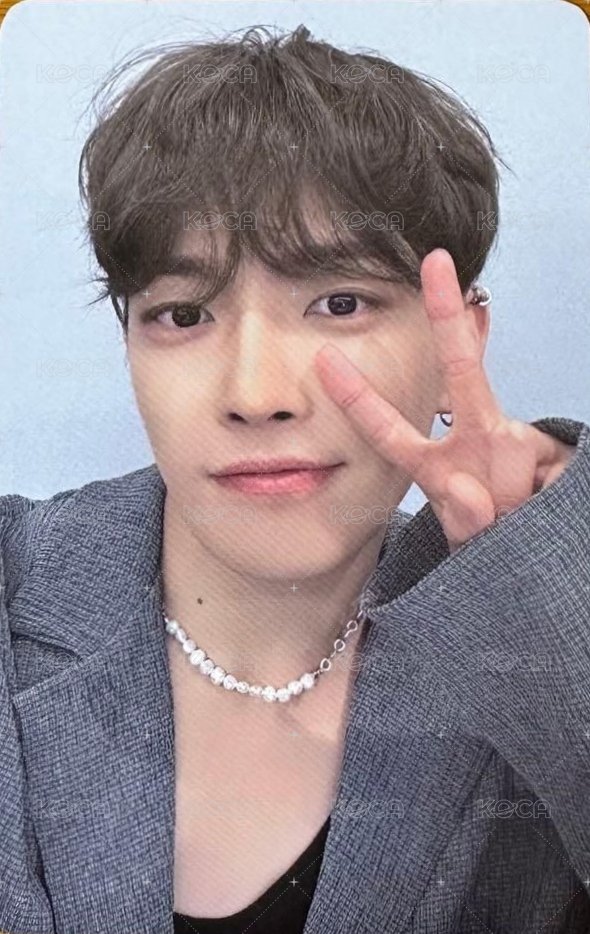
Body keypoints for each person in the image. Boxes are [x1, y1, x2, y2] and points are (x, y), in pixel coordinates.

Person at [1, 23, 589, 934]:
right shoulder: (17, 588)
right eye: (184, 315)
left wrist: (555, 580)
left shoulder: (541, 658)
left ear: (459, 345)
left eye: (339, 303)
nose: (256, 395)